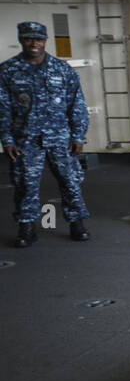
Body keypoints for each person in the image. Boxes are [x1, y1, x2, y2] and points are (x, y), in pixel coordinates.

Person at [0, 21, 90, 246]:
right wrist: (7, 139)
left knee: (70, 181)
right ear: (21, 40)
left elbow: (76, 104)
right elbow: (3, 108)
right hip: (25, 138)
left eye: (38, 39)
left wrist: (78, 136)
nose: (34, 43)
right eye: (29, 38)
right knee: (25, 184)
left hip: (60, 137)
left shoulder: (62, 69)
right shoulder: (7, 71)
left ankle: (77, 223)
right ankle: (26, 228)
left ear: (45, 41)